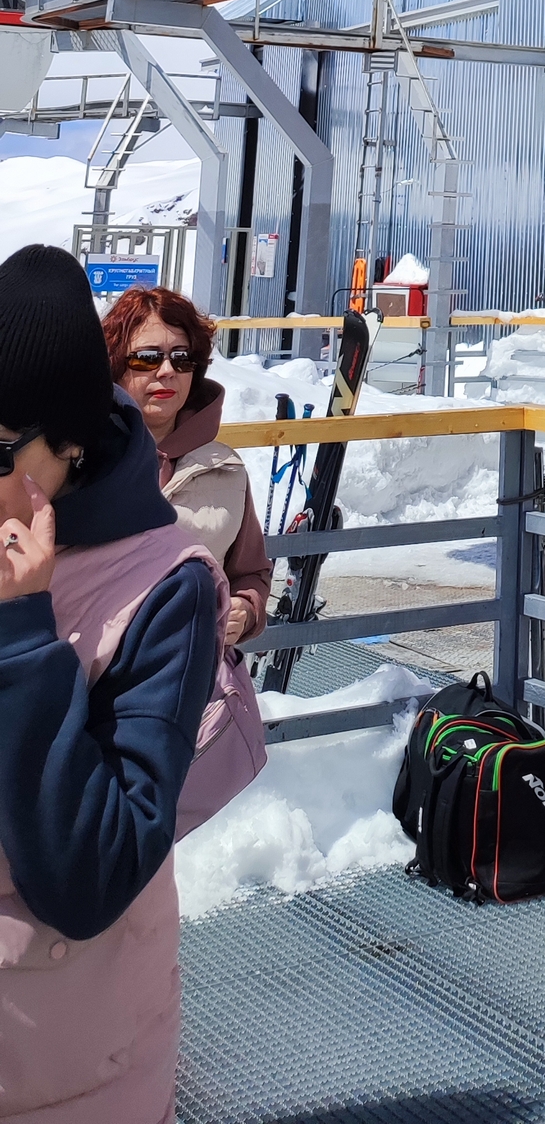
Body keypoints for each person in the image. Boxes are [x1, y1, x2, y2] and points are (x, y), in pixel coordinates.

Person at [0, 243, 226, 1122]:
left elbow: (96, 872)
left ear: (68, 443)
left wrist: (23, 640)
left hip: (66, 1071)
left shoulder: (165, 588)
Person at [103, 288, 270, 647]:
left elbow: (251, 573)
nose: (167, 371)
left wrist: (245, 609)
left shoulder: (224, 468)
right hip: (95, 669)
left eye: (181, 358)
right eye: (147, 358)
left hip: (195, 670)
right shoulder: (79, 458)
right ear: (116, 364)